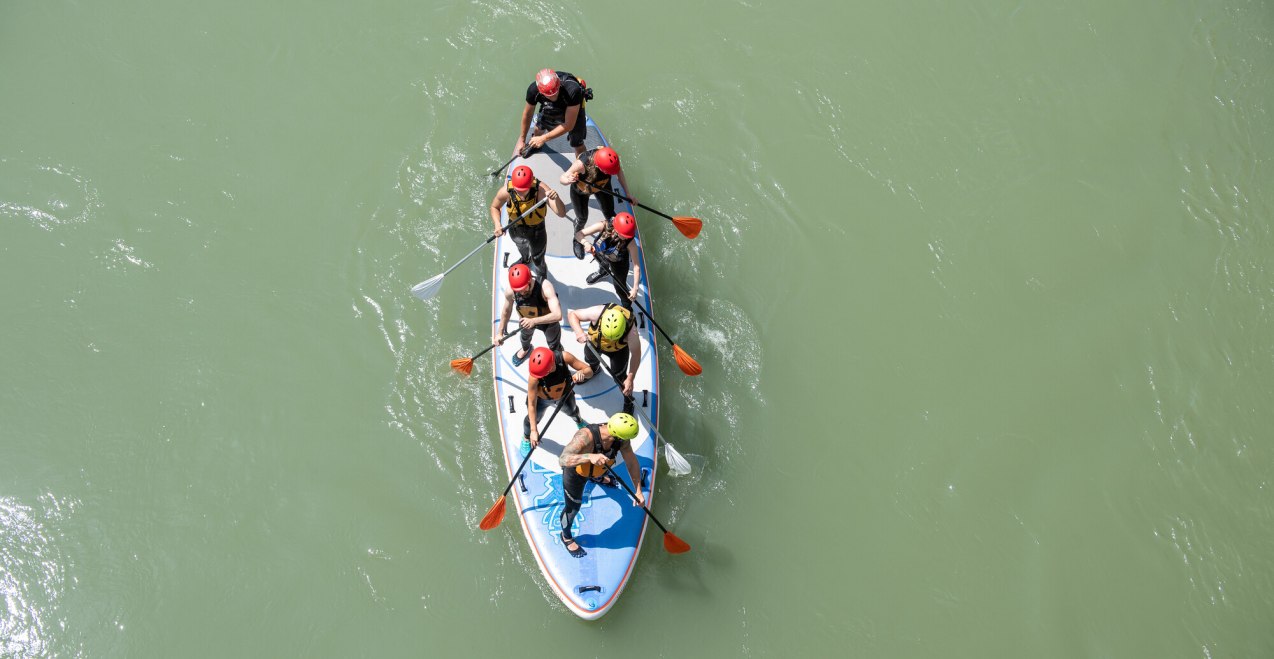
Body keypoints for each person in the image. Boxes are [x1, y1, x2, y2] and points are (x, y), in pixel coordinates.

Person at [557, 412, 645, 558]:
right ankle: (565, 536)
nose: (627, 441)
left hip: (596, 470)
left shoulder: (621, 440)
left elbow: (631, 462)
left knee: (601, 466)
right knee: (572, 508)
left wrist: (638, 491)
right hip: (576, 474)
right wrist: (589, 457)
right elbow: (563, 459)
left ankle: (596, 478)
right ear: (617, 433)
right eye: (627, 438)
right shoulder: (585, 437)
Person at [490, 165, 565, 279]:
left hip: (536, 231)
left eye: (524, 190)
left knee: (538, 259)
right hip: (515, 228)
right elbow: (494, 207)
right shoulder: (506, 191)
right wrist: (497, 224)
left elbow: (561, 213)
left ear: (530, 184)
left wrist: (556, 199)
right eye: (518, 190)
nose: (520, 194)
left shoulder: (541, 191)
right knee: (521, 247)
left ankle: (542, 276)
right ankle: (525, 259)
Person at [559, 146, 634, 258]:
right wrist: (568, 180)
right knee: (582, 218)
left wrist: (628, 193)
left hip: (602, 187)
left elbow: (619, 173)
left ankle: (616, 241)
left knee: (610, 214)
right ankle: (577, 239)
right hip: (581, 191)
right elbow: (562, 178)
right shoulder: (583, 163)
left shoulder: (611, 158)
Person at [567, 303, 640, 413]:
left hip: (618, 351)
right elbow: (573, 314)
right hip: (595, 344)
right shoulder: (597, 312)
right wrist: (579, 332)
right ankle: (595, 370)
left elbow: (636, 354)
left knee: (621, 380)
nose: (609, 339)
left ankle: (628, 401)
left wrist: (630, 378)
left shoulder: (632, 332)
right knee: (590, 359)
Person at [523, 347, 591, 450]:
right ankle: (526, 438)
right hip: (541, 401)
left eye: (543, 374)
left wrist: (582, 373)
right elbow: (531, 404)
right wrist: (534, 430)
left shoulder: (564, 357)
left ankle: (579, 422)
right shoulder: (534, 377)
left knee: (573, 411)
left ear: (551, 364)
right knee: (531, 420)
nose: (540, 377)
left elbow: (589, 371)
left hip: (564, 396)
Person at [495, 264, 563, 365]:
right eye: (518, 290)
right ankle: (526, 349)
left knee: (554, 343)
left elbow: (558, 315)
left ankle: (557, 357)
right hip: (526, 320)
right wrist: (499, 333)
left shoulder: (545, 287)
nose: (521, 292)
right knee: (524, 338)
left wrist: (534, 321)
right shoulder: (511, 291)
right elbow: (506, 311)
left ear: (530, 279)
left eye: (524, 288)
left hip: (549, 322)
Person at [515, 69, 589, 159]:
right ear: (540, 91)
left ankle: (583, 166)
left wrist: (543, 138)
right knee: (538, 128)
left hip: (572, 104)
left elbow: (569, 125)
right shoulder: (533, 90)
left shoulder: (573, 90)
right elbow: (527, 113)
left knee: (577, 143)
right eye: (549, 95)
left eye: (555, 92)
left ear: (559, 85)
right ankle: (534, 144)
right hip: (549, 105)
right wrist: (522, 139)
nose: (553, 97)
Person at [577, 212, 640, 308]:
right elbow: (579, 234)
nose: (628, 237)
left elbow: (636, 266)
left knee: (619, 286)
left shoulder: (630, 242)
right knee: (602, 264)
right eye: (625, 235)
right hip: (601, 253)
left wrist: (635, 288)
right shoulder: (603, 225)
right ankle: (603, 272)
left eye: (629, 235)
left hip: (618, 262)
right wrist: (585, 243)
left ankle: (627, 306)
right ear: (616, 229)